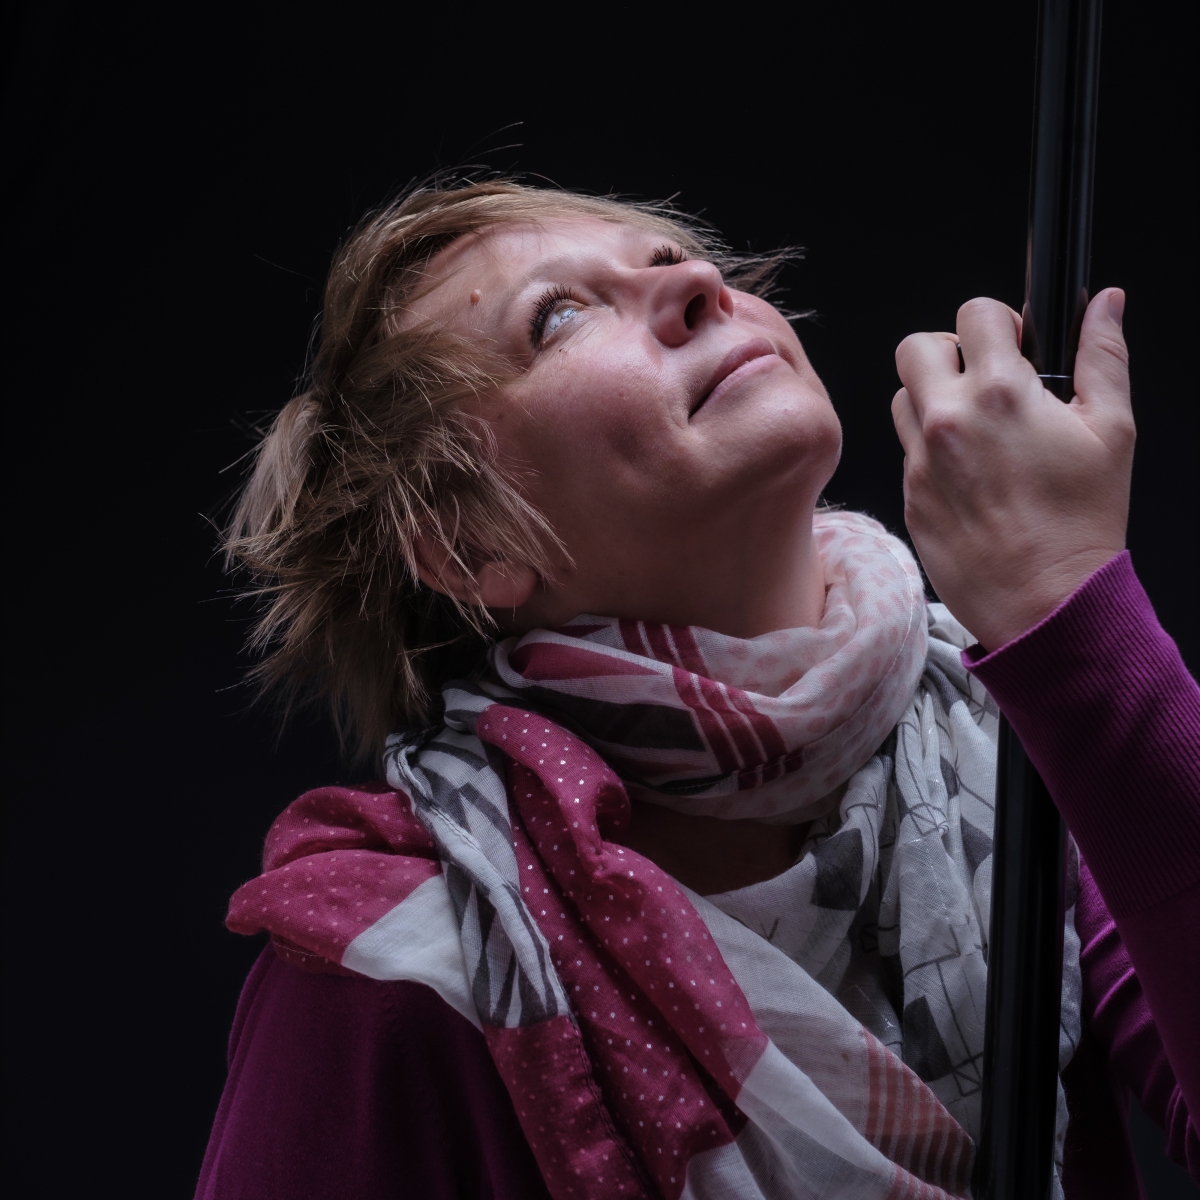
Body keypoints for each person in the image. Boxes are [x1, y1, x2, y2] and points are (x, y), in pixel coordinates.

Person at [197, 179, 1198, 1199]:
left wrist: (1069, 613)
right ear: (469, 547)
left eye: (670, 260)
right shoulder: (387, 975)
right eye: (559, 316)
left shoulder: (1017, 755)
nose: (702, 284)